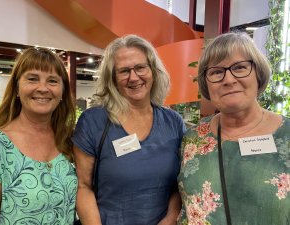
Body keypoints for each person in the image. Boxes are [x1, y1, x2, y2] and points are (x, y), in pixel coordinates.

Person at [72, 34, 186, 225]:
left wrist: (170, 219)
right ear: (112, 78)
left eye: (140, 67)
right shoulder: (94, 121)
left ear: (153, 71)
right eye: (124, 71)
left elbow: (180, 184)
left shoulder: (173, 122)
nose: (134, 77)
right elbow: (83, 186)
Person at [178, 32, 290, 225]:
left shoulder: (286, 135)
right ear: (206, 83)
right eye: (216, 72)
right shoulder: (193, 138)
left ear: (258, 74)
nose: (228, 80)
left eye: (239, 68)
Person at [0, 47, 78, 224]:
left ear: (62, 91)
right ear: (16, 88)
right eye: (32, 79)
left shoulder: (69, 140)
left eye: (52, 81)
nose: (43, 88)